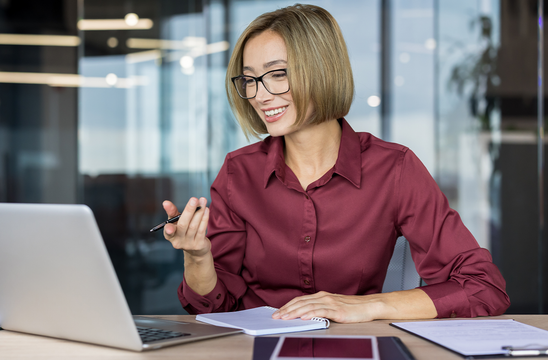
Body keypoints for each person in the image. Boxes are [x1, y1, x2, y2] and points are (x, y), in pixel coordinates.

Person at [161, 4, 510, 323]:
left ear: (322, 69)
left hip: (355, 347)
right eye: (249, 79)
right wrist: (197, 256)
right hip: (254, 348)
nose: (260, 94)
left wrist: (371, 306)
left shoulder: (394, 169)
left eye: (277, 74)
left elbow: (483, 287)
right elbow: (213, 308)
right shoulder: (239, 172)